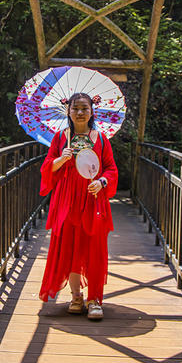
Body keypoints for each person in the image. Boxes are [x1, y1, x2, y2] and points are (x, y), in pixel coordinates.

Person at [38, 92, 118, 320]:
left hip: (93, 197)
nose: (80, 113)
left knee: (93, 247)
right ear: (68, 111)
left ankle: (95, 300)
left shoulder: (101, 139)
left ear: (92, 111)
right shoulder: (60, 138)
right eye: (76, 108)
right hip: (66, 198)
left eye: (84, 108)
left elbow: (111, 168)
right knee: (69, 246)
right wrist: (61, 159)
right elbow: (47, 168)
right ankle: (76, 296)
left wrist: (102, 182)